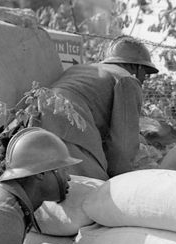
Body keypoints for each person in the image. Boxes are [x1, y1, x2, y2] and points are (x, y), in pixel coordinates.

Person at [36, 35, 160, 181]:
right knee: (93, 189)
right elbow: (123, 146)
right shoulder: (126, 79)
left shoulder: (81, 69)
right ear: (136, 67)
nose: (145, 79)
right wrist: (121, 180)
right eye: (146, 73)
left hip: (37, 125)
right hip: (71, 127)